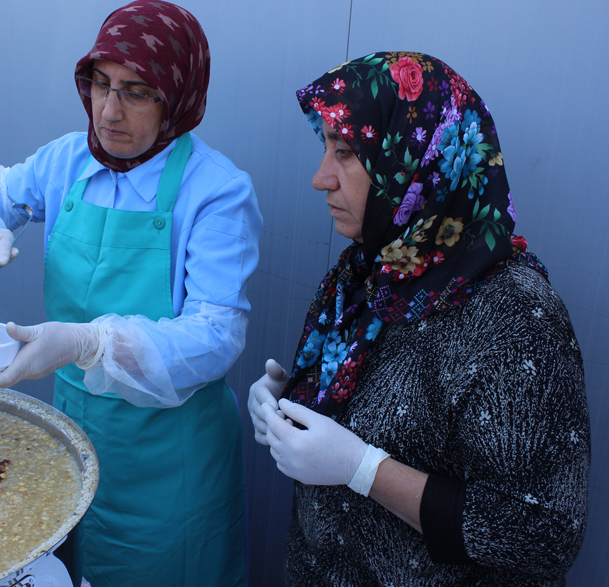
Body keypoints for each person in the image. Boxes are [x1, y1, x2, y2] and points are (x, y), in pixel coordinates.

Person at [0, 2, 261, 585]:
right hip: (72, 438)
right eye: (101, 84)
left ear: (177, 98)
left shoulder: (217, 192)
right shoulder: (67, 160)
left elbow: (215, 335)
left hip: (171, 463)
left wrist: (91, 343)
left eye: (136, 93)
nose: (109, 110)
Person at [248, 52, 589, 586]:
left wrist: (365, 470)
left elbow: (543, 533)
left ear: (418, 161)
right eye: (325, 148)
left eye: (345, 153)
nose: (320, 178)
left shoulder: (515, 315)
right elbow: (375, 408)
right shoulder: (367, 271)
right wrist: (290, 405)